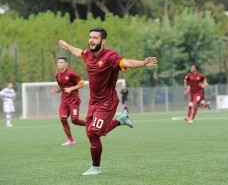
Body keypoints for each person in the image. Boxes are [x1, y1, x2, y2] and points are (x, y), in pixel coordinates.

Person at [58, 26, 158, 175]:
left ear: (103, 41)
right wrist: (67, 46)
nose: (91, 40)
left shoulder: (110, 56)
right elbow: (78, 52)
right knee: (92, 132)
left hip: (108, 102)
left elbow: (126, 63)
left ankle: (95, 167)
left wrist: (143, 63)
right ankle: (121, 120)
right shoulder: (88, 53)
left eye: (95, 38)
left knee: (93, 133)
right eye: (90, 37)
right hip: (93, 102)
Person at [51, 57, 86, 146]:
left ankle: (90, 124)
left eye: (62, 62)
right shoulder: (57, 75)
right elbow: (61, 87)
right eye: (58, 62)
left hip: (74, 100)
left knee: (75, 120)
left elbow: (82, 84)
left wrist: (71, 88)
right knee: (63, 118)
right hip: (64, 101)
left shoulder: (71, 73)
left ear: (66, 64)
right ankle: (70, 140)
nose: (60, 64)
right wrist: (55, 90)